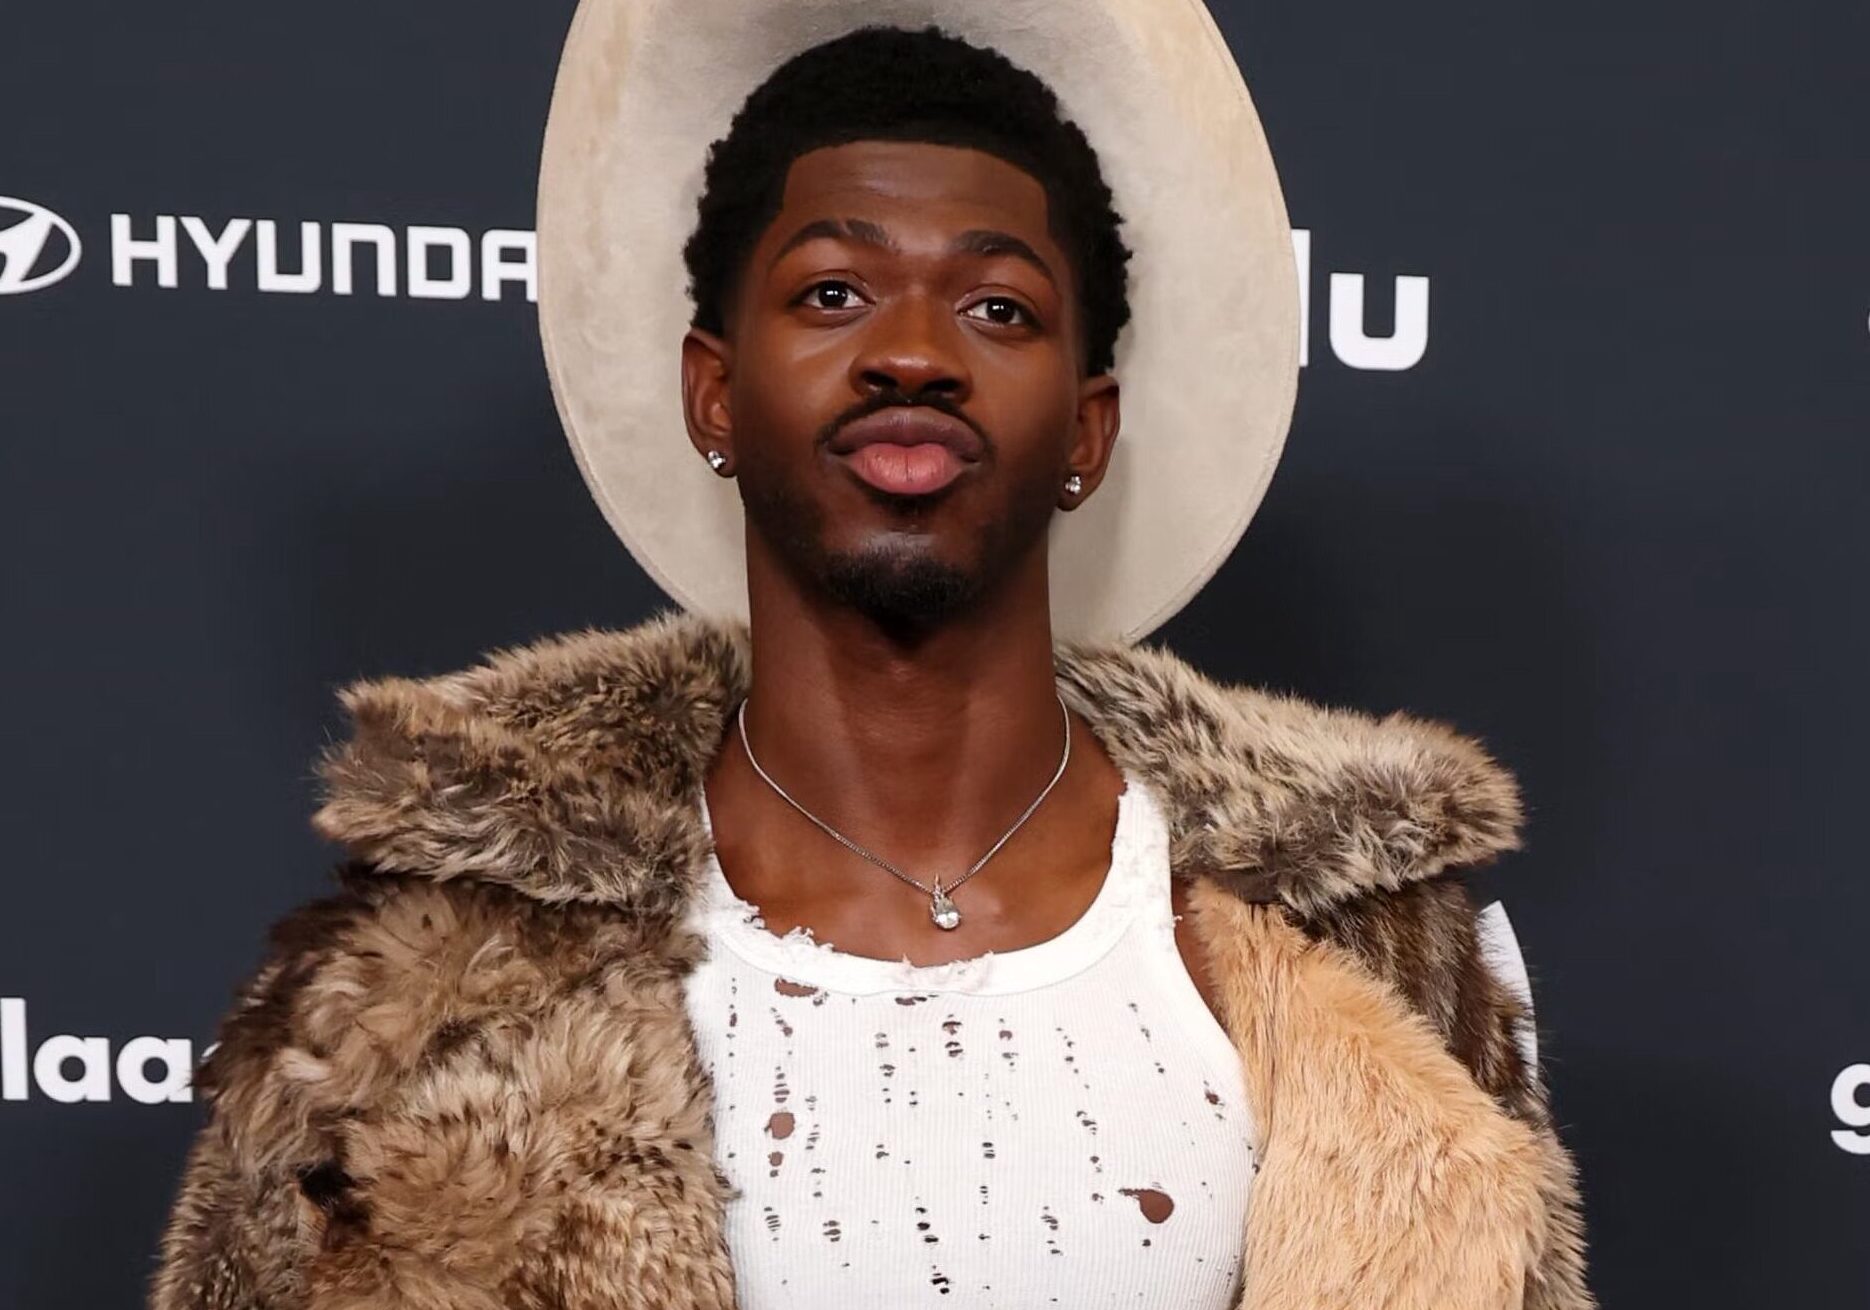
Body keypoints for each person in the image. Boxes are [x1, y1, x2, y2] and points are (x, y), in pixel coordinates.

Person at [148, 6, 1590, 1309]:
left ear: (1086, 430)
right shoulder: (426, 986)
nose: (913, 353)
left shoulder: (1374, 954)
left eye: (997, 306)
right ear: (714, 393)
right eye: (834, 293)